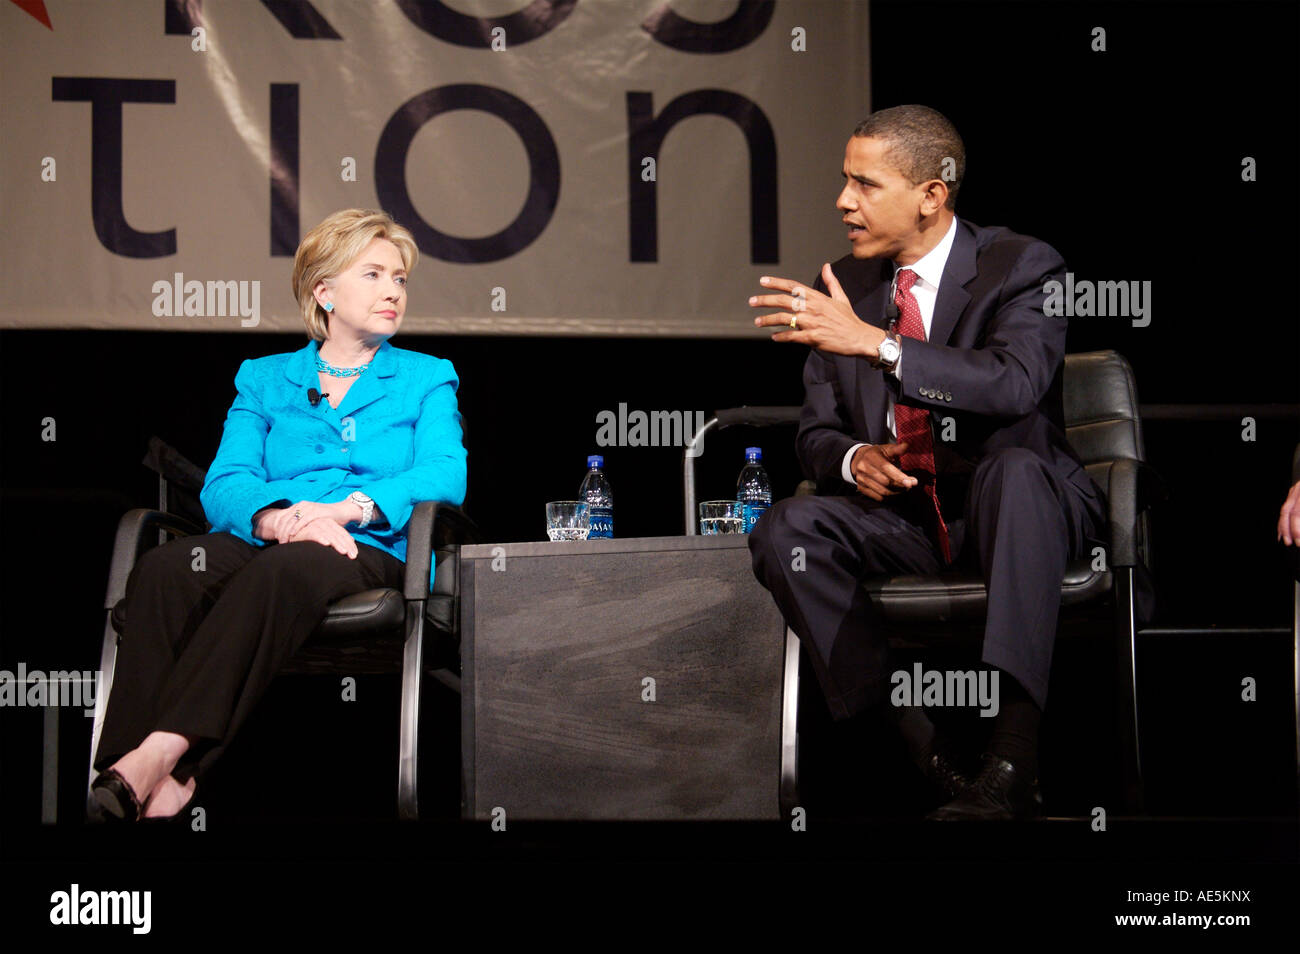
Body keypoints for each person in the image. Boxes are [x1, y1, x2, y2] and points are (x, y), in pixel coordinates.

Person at [747, 105, 1106, 821]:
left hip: (1017, 509)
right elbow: (816, 434)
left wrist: (878, 346)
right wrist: (853, 461)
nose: (843, 201)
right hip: (912, 518)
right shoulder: (850, 285)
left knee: (1015, 473)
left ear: (931, 196)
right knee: (787, 528)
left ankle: (1013, 758)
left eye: (866, 184)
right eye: (845, 181)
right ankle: (926, 750)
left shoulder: (1023, 265)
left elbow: (1012, 383)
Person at [89, 208, 467, 822]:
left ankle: (162, 757)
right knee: (165, 568)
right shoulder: (264, 380)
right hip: (275, 536)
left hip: (369, 545)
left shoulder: (425, 378)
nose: (394, 290)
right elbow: (227, 481)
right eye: (373, 275)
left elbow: (445, 472)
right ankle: (133, 789)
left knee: (288, 569)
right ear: (324, 291)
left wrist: (345, 510)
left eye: (400, 278)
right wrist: (282, 519)